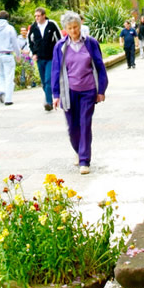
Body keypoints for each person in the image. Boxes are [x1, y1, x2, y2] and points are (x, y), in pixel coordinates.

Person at [50, 12, 109, 175]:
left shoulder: (90, 43)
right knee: (72, 127)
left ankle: (84, 160)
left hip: (88, 90)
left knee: (85, 123)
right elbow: (56, 71)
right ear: (65, 29)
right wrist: (55, 94)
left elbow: (99, 66)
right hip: (69, 92)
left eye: (76, 27)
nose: (74, 31)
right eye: (70, 28)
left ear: (80, 26)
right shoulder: (60, 46)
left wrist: (101, 90)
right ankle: (78, 149)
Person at [28, 8, 63, 112]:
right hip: (40, 58)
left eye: (38, 16)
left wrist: (59, 53)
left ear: (44, 15)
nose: (36, 18)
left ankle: (48, 102)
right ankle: (49, 95)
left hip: (51, 57)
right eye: (35, 16)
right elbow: (30, 41)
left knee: (48, 80)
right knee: (44, 82)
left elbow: (59, 39)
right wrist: (33, 53)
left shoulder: (51, 25)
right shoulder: (34, 27)